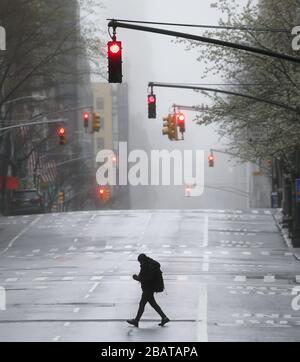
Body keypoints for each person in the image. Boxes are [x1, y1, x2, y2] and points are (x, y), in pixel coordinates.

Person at [127, 254, 170, 328]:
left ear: (142, 260)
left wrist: (137, 278)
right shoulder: (149, 263)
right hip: (150, 288)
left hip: (148, 288)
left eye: (140, 262)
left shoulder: (148, 265)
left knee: (142, 304)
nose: (140, 263)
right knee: (153, 304)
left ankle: (136, 321)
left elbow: (148, 278)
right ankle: (164, 318)